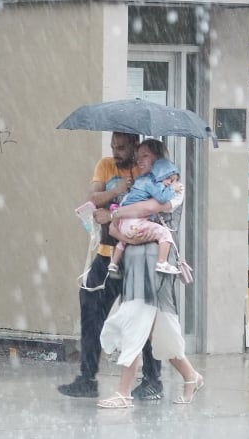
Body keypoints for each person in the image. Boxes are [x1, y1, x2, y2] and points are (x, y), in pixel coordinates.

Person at [58, 132, 170, 400]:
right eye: (113, 146)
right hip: (107, 254)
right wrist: (117, 190)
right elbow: (93, 198)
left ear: (135, 145)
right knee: (90, 304)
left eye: (121, 147)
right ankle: (87, 377)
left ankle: (152, 380)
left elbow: (155, 207)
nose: (116, 152)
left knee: (142, 318)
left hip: (138, 256)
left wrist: (116, 211)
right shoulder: (106, 166)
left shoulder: (147, 169)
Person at [96, 139, 204, 409]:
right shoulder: (141, 185)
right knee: (157, 329)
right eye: (139, 155)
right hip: (135, 262)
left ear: (159, 160)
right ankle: (191, 376)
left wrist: (117, 214)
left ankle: (123, 391)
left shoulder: (172, 187)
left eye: (146, 156)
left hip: (154, 265)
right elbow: (119, 231)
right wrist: (119, 225)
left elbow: (150, 209)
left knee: (136, 319)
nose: (140, 160)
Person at [107, 153, 185, 277]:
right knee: (164, 234)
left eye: (145, 156)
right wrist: (172, 189)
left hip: (124, 224)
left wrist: (126, 237)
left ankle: (113, 264)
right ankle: (162, 262)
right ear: (161, 174)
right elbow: (160, 199)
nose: (172, 183)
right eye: (170, 180)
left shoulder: (140, 182)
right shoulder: (154, 183)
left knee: (122, 242)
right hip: (135, 224)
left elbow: (113, 227)